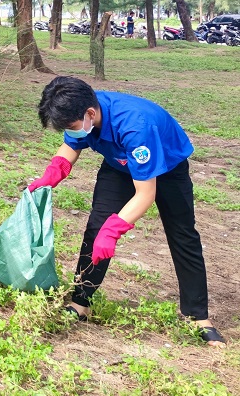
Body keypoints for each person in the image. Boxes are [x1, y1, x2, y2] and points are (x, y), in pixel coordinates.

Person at [29, 76, 225, 347]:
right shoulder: (80, 109)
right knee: (96, 228)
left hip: (168, 166)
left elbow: (145, 194)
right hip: (119, 164)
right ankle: (80, 303)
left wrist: (114, 230)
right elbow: (71, 145)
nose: (69, 131)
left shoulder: (135, 127)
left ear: (90, 114)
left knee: (182, 235)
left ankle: (198, 316)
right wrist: (53, 172)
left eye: (71, 127)